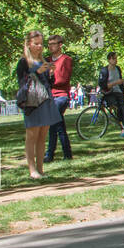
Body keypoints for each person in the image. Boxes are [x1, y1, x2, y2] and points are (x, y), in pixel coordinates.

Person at [15, 31, 62, 179]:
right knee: (32, 135)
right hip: (32, 102)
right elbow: (22, 83)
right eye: (36, 43)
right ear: (29, 44)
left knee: (42, 136)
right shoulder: (24, 62)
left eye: (41, 43)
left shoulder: (43, 61)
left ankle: (41, 169)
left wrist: (50, 73)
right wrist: (35, 71)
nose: (39, 46)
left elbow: (50, 83)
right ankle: (32, 170)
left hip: (46, 100)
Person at [43, 34, 74, 163]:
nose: (50, 46)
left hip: (61, 96)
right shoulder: (47, 60)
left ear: (60, 45)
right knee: (58, 125)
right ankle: (67, 153)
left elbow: (63, 79)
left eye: (53, 44)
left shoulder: (66, 60)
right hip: (50, 97)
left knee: (53, 124)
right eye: (49, 44)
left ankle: (49, 154)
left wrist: (50, 75)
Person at [99, 52, 124, 136]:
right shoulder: (104, 71)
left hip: (119, 91)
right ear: (109, 60)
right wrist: (115, 83)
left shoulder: (118, 68)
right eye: (114, 58)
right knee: (117, 107)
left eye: (116, 58)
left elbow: (121, 81)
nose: (115, 60)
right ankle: (123, 127)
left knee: (122, 108)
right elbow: (103, 85)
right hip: (109, 92)